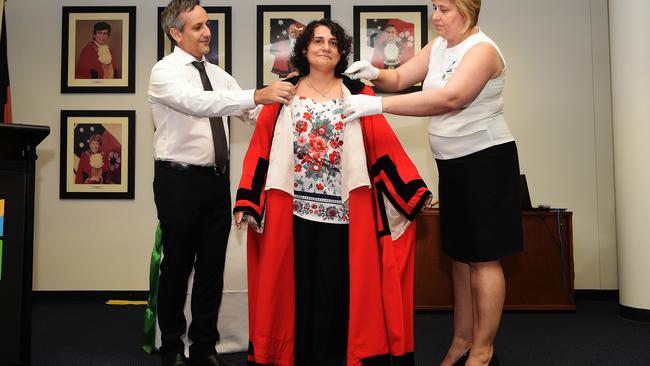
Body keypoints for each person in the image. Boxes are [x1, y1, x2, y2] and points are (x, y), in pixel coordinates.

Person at [233, 19, 431, 366]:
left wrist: (411, 190)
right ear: (304, 48)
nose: (325, 47)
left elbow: (382, 142)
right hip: (292, 211)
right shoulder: (283, 92)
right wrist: (248, 199)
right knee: (297, 290)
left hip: (346, 212)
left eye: (333, 42)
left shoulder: (358, 92)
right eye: (318, 40)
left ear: (341, 51)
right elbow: (261, 147)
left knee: (339, 288)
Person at [343, 1, 522, 365]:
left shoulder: (483, 50)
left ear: (467, 10)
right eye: (434, 8)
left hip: (485, 160)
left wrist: (379, 106)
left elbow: (451, 98)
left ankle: (483, 351)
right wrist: (374, 74)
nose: (435, 17)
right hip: (452, 164)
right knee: (460, 256)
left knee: (483, 259)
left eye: (444, 9)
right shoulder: (439, 45)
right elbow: (400, 78)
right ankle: (461, 340)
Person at [148, 1, 295, 366]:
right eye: (197, 27)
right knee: (178, 266)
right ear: (176, 33)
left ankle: (203, 346)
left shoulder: (219, 75)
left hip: (216, 182)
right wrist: (256, 94)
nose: (207, 32)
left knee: (212, 268)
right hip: (178, 180)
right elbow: (197, 103)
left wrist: (296, 101)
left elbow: (252, 114)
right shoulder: (164, 72)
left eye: (207, 25)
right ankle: (170, 345)